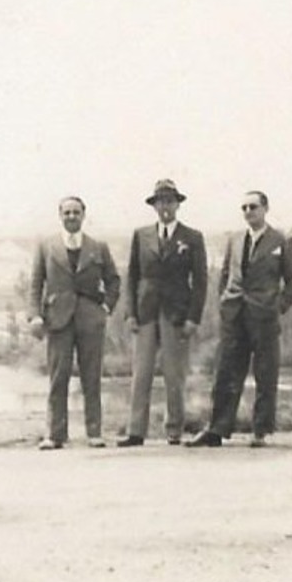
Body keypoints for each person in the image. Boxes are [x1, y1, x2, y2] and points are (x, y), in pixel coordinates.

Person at [189, 190, 292, 448]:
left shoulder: (281, 241)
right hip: (234, 315)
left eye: (253, 207)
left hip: (264, 316)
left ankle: (260, 431)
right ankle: (217, 429)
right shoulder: (235, 240)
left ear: (265, 209)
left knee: (265, 373)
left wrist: (278, 306)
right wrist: (224, 301)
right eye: (244, 208)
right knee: (225, 372)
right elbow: (226, 274)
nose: (248, 212)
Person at [118, 179, 208, 446]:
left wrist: (193, 317)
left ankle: (174, 430)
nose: (165, 206)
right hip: (146, 311)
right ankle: (135, 431)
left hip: (176, 313)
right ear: (154, 205)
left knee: (174, 374)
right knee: (141, 372)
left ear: (177, 204)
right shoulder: (141, 235)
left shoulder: (192, 237)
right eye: (161, 201)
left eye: (170, 201)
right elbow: (132, 276)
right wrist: (130, 313)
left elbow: (200, 281)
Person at [28, 196, 120, 450]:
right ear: (60, 215)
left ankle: (94, 432)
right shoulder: (46, 246)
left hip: (90, 320)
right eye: (67, 212)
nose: (71, 217)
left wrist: (106, 307)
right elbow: (36, 283)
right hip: (58, 319)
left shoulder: (97, 246)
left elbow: (113, 280)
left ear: (84, 215)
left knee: (91, 376)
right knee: (58, 377)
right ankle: (55, 434)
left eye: (76, 212)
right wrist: (35, 315)